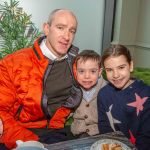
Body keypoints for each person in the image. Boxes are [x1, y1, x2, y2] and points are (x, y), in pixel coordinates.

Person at [0, 9, 82, 149]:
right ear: (47, 28)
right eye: (60, 27)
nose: (66, 36)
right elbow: (1, 111)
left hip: (54, 133)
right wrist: (32, 142)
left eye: (72, 31)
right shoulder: (13, 63)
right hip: (16, 130)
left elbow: (96, 84)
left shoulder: (77, 64)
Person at [97, 44, 150, 150]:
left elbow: (147, 134)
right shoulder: (103, 94)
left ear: (130, 66)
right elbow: (104, 127)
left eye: (121, 67)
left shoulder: (146, 93)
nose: (115, 75)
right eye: (109, 70)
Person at [71, 50, 107, 137]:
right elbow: (64, 111)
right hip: (78, 131)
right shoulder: (72, 90)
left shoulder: (107, 89)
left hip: (100, 131)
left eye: (93, 71)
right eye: (81, 71)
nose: (87, 76)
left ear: (99, 72)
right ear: (75, 72)